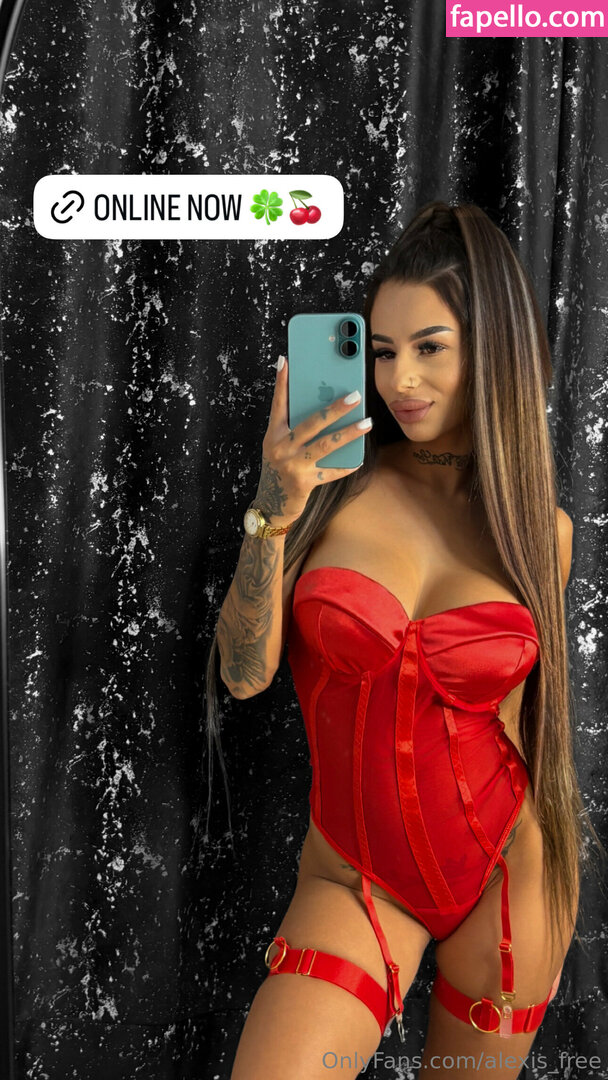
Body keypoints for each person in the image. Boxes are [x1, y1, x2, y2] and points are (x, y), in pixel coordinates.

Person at [206, 201, 603, 1079]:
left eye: (430, 348)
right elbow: (242, 674)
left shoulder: (542, 533)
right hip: (355, 878)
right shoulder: (328, 489)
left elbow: (521, 722)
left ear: (491, 353)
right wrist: (272, 508)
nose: (400, 381)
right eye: (382, 351)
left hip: (510, 882)